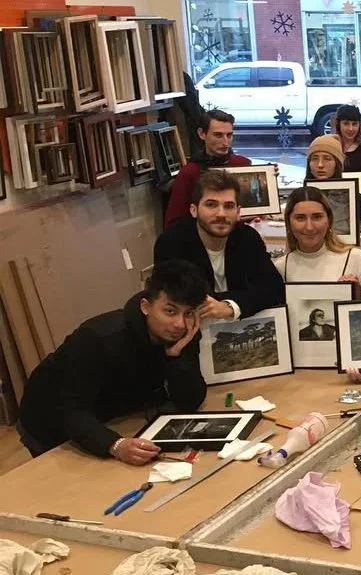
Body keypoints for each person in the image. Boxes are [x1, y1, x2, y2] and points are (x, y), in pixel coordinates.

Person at [16, 260, 208, 463]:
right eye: (170, 311)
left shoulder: (184, 334)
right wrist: (114, 445)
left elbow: (191, 400)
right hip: (49, 416)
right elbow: (70, 410)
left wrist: (176, 356)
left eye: (188, 313)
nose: (179, 323)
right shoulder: (98, 338)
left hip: (108, 412)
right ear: (145, 307)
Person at [154, 170, 285, 321]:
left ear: (238, 212)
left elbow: (273, 289)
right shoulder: (172, 242)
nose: (221, 214)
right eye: (211, 205)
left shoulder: (248, 238)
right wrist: (245, 296)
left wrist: (229, 306)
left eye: (229, 206)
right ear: (194, 210)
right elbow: (178, 299)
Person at [275, 186, 361, 299]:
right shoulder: (281, 267)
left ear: (329, 220)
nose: (309, 227)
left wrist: (357, 297)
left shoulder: (357, 258)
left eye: (317, 217)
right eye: (300, 218)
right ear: (289, 222)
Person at [164, 110, 251, 227]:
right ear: (202, 134)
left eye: (229, 135)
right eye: (218, 135)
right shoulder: (190, 172)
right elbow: (174, 222)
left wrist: (268, 177)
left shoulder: (242, 164)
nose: (225, 142)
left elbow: (253, 208)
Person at [305, 134, 361, 229]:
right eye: (315, 158)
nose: (320, 164)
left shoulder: (356, 200)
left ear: (337, 164)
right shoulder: (299, 199)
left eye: (327, 158)